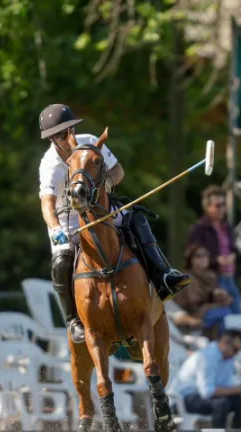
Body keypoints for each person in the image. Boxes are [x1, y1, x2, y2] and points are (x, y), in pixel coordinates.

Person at [37, 103, 191, 343]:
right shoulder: (49, 165)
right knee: (61, 260)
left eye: (69, 130)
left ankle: (162, 277)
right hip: (67, 220)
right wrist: (56, 229)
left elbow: (118, 170)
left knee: (136, 220)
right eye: (59, 135)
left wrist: (104, 184)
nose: (68, 139)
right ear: (51, 140)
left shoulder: (89, 143)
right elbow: (47, 203)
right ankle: (73, 320)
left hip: (100, 211)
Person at [171, 329, 241, 428]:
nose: (236, 353)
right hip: (185, 399)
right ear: (225, 343)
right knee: (222, 404)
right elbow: (207, 392)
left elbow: (225, 387)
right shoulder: (207, 356)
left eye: (238, 350)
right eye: (235, 349)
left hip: (202, 396)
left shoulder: (229, 359)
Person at [186, 186, 241, 314]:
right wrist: (216, 261)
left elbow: (233, 249)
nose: (222, 209)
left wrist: (233, 255)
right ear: (207, 207)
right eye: (217, 205)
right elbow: (192, 255)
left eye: (223, 205)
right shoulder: (199, 229)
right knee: (224, 314)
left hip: (230, 277)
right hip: (212, 279)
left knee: (239, 315)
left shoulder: (227, 227)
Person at [174, 244, 237, 337]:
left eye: (206, 254)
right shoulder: (186, 277)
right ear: (191, 259)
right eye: (198, 255)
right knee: (225, 313)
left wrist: (219, 295)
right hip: (195, 315)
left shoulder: (211, 275)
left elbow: (227, 298)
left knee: (229, 313)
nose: (203, 258)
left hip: (212, 311)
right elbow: (192, 302)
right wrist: (213, 295)